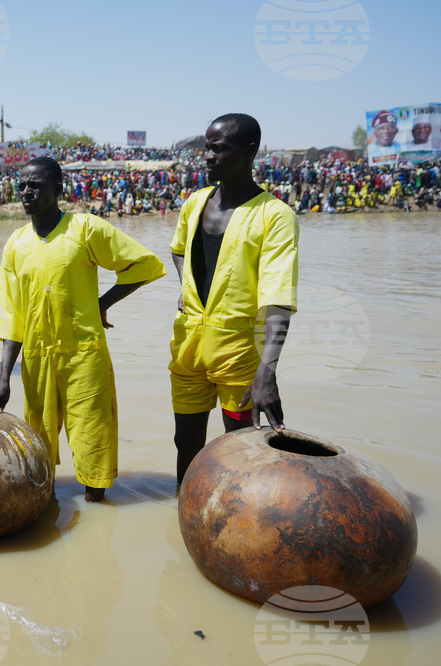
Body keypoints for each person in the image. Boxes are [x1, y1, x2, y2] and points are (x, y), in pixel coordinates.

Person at [0, 156, 166, 502]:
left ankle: (96, 515)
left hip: (84, 355)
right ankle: (44, 506)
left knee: (92, 440)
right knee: (36, 447)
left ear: (58, 188)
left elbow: (141, 265)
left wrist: (101, 303)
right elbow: (10, 315)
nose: (26, 191)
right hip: (36, 358)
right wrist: (3, 379)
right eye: (23, 184)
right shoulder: (15, 244)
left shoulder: (85, 228)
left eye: (36, 185)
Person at [169, 113, 299, 485]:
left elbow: (278, 299)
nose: (208, 156)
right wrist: (186, 285)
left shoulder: (275, 215)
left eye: (219, 148)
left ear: (249, 151)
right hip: (188, 343)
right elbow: (179, 250)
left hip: (240, 350)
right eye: (207, 147)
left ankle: (236, 528)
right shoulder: (194, 203)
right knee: (186, 441)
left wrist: (267, 372)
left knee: (243, 448)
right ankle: (185, 512)